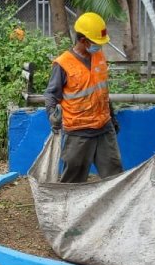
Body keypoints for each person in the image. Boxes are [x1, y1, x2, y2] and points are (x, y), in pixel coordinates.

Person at [43, 12, 122, 183]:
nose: (99, 47)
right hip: (78, 132)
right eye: (95, 43)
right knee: (73, 179)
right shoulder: (63, 64)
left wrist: (112, 117)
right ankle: (68, 209)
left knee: (114, 175)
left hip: (104, 128)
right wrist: (52, 115)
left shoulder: (98, 57)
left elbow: (102, 92)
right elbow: (51, 94)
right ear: (83, 40)